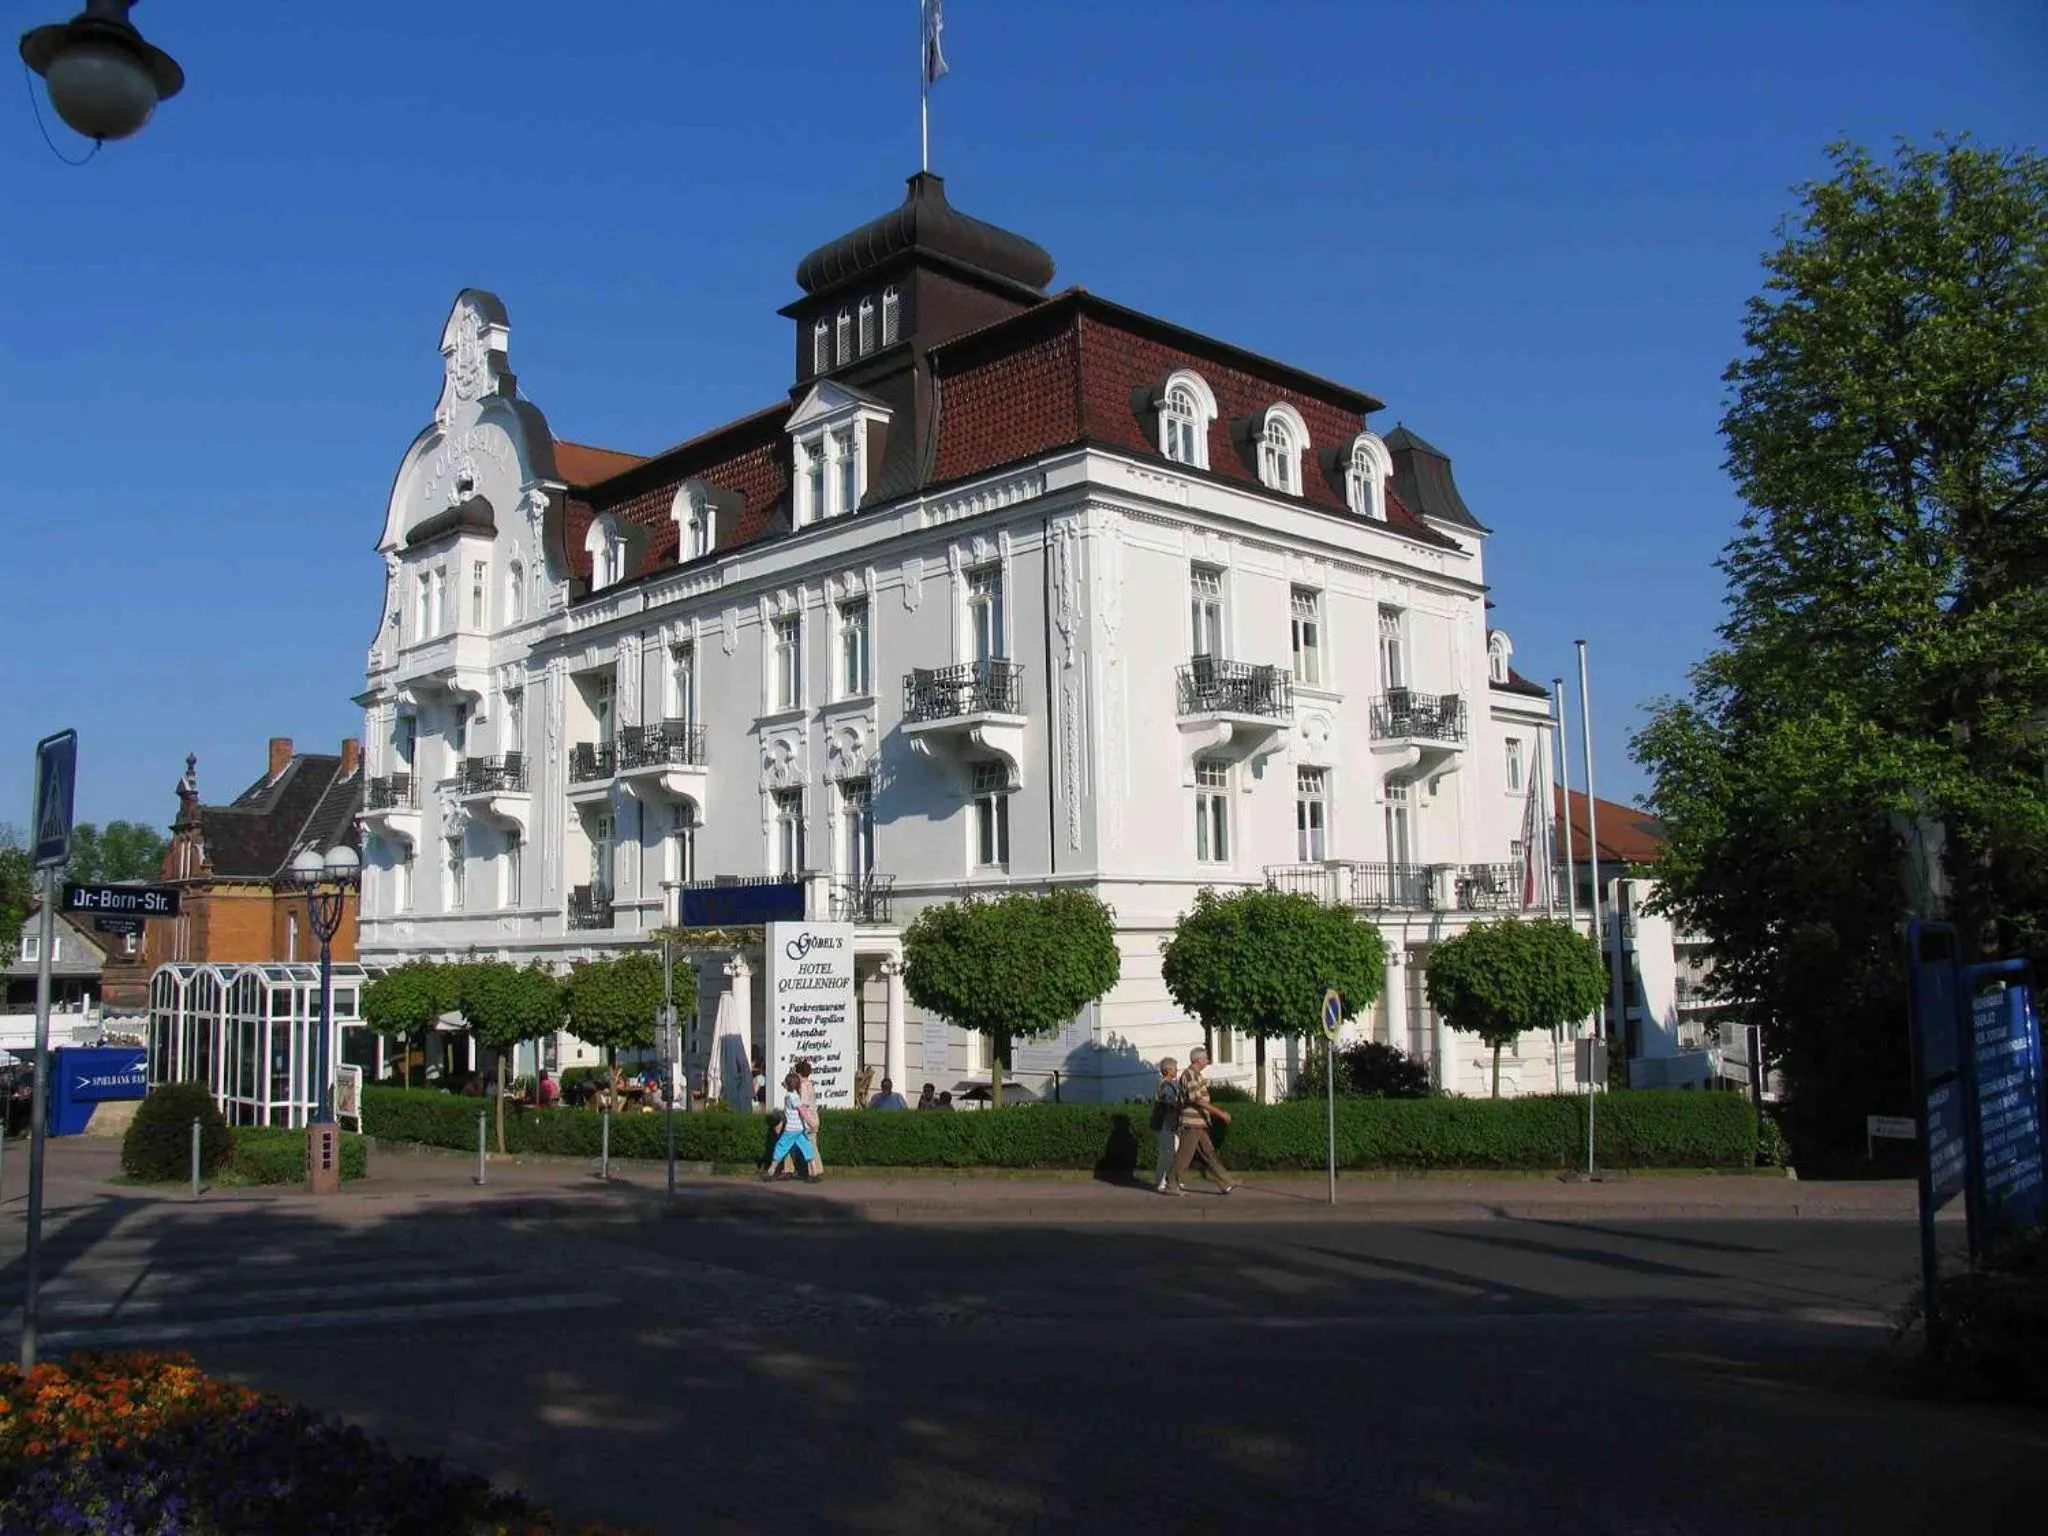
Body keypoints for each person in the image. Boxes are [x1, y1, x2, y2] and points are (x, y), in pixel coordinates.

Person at [1165, 1046, 1237, 1196]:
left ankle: (1226, 1181)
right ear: (1198, 1060)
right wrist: (1220, 1113)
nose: (1208, 1061)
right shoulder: (1189, 1075)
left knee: (1208, 1152)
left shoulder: (1196, 1075)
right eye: (1206, 1059)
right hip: (1192, 1123)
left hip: (1199, 1122)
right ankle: (1171, 1183)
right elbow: (1196, 1099)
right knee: (1185, 1155)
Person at [763, 1070, 820, 1183]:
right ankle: (814, 1172)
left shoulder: (791, 1097)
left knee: (781, 1147)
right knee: (807, 1147)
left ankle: (771, 1171)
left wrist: (811, 1123)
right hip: (799, 1128)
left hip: (791, 1129)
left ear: (788, 1084)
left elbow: (802, 1111)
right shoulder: (793, 1096)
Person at [1149, 1056, 1182, 1193]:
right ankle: (1161, 1181)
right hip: (1165, 1123)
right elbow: (1170, 1103)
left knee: (1173, 1151)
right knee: (1166, 1153)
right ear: (1168, 1070)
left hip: (1170, 1123)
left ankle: (1170, 1179)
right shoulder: (1165, 1085)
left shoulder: (1171, 1084)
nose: (1176, 1070)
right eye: (1174, 1068)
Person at [795, 1059, 825, 1173]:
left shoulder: (803, 1086)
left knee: (811, 1146)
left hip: (808, 1121)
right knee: (812, 1145)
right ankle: (814, 1170)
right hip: (814, 1117)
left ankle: (816, 1170)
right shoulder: (810, 1084)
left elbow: (803, 1104)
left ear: (799, 1073)